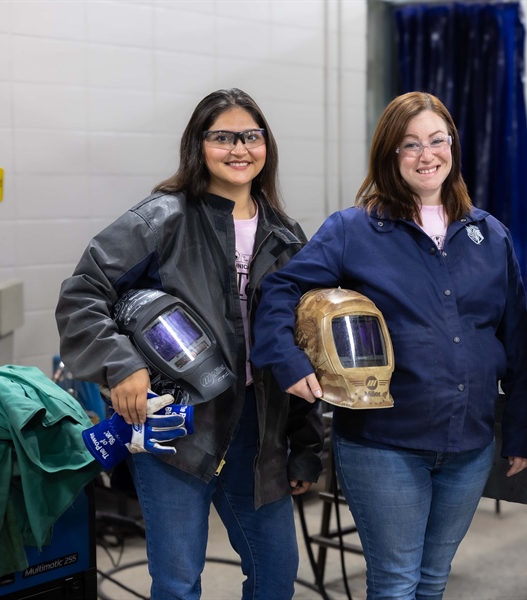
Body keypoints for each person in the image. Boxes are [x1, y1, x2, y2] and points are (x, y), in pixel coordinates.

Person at [251, 91, 527, 599]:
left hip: (469, 443)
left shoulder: (489, 235)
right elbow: (279, 289)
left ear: (453, 146)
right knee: (396, 583)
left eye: (437, 140)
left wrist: (518, 429)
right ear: (390, 153)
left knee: (433, 580)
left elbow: (516, 338)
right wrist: (287, 361)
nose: (427, 155)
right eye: (410, 144)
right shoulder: (353, 230)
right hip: (384, 443)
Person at [55, 88, 324, 600]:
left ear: (266, 145)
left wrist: (305, 445)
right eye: (223, 137)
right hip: (175, 431)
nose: (239, 148)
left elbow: (298, 345)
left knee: (275, 575)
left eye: (251, 136)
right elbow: (82, 294)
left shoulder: (286, 236)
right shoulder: (161, 219)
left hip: (260, 431)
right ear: (198, 145)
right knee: (178, 584)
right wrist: (121, 364)